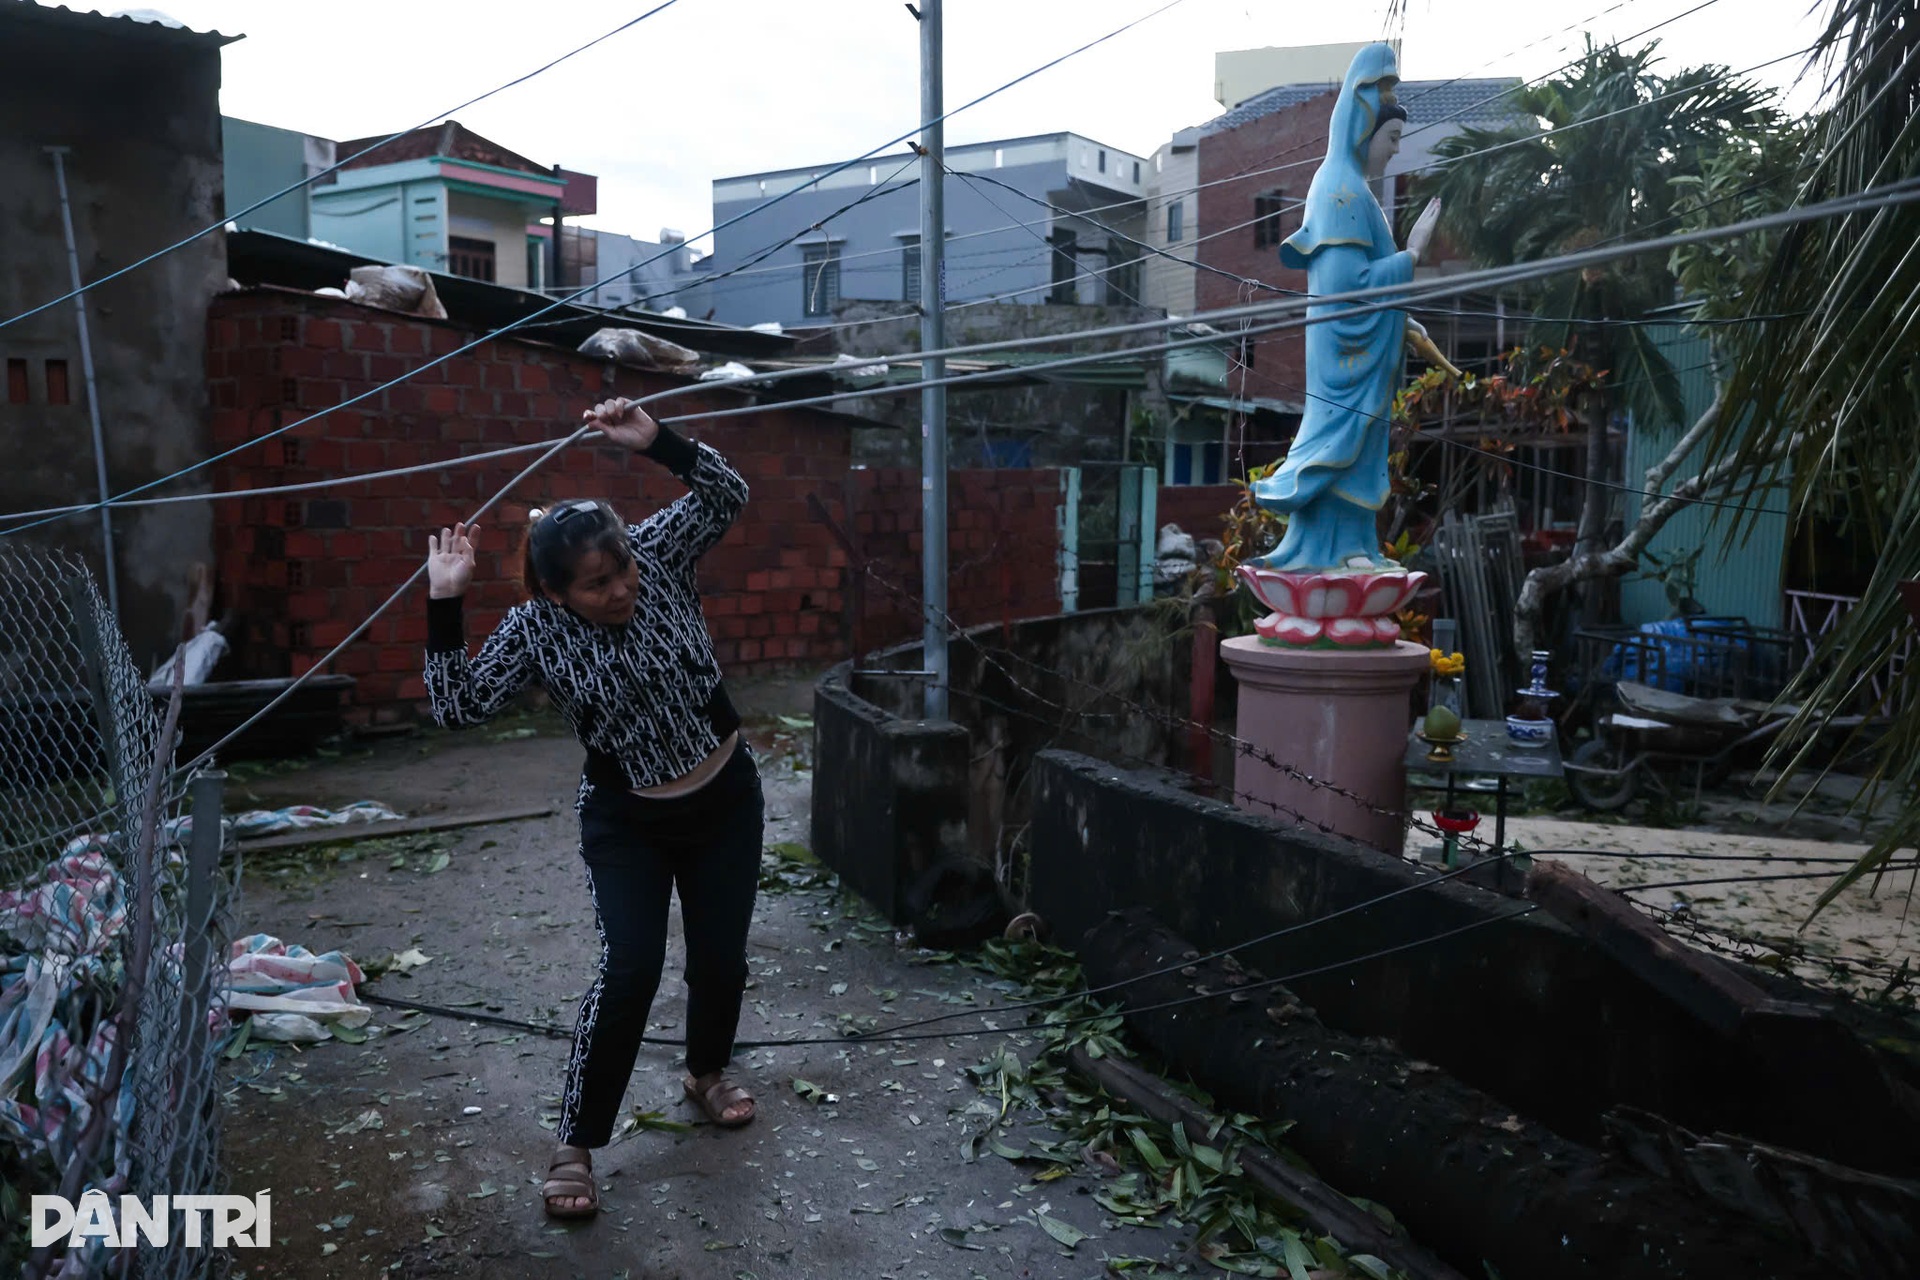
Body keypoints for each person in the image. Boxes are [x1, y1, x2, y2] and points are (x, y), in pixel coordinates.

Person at [420, 398, 763, 1220]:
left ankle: (706, 1072)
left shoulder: (659, 554)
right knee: (631, 968)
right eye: (598, 585)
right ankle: (577, 1139)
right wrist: (443, 604)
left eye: (624, 573)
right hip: (627, 823)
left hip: (724, 798)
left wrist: (660, 445)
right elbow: (456, 706)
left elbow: (729, 495)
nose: (622, 590)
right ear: (554, 590)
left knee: (720, 956)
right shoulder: (535, 629)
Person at [1251, 42, 1444, 573]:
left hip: (1362, 345)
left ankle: (1353, 545)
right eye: (1394, 138)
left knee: (1361, 446)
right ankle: (1326, 550)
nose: (1396, 151)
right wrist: (1413, 254)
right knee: (1345, 441)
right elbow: (1346, 284)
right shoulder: (1339, 189)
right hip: (1345, 353)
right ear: (1364, 125)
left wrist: (1398, 315)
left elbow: (1367, 286)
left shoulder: (1355, 190)